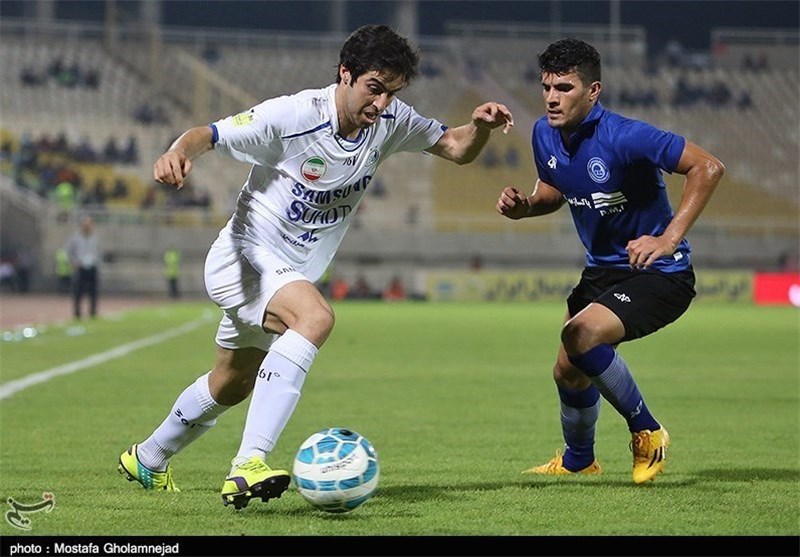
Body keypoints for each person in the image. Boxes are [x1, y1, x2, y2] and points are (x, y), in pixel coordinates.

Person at [118, 24, 513, 508]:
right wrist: (177, 152)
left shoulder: (390, 119)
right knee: (315, 317)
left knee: (232, 382)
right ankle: (248, 464)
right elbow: (209, 134)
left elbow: (455, 147)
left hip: (288, 272)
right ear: (345, 73)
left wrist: (480, 127)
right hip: (244, 256)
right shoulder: (294, 116)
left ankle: (149, 457)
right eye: (374, 88)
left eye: (391, 93)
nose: (382, 103)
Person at [495, 38, 724, 484]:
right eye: (546, 87)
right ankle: (579, 460)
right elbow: (555, 188)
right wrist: (527, 206)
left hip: (660, 273)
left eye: (564, 88)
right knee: (567, 371)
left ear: (593, 90)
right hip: (601, 271)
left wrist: (668, 238)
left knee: (579, 334)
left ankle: (648, 431)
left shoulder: (626, 135)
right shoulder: (543, 132)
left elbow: (708, 167)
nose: (551, 98)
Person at [66, 214, 100, 319]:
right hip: (80, 267)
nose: (87, 227)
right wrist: (73, 261)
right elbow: (68, 250)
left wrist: (96, 261)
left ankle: (93, 311)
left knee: (93, 291)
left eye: (89, 225)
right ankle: (77, 312)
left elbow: (98, 252)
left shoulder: (94, 238)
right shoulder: (75, 238)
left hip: (92, 266)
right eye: (85, 225)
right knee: (78, 291)